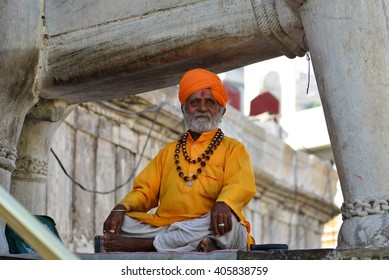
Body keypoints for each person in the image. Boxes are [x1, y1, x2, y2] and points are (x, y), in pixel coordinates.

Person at [103, 68, 256, 252]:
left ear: (221, 111)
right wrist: (121, 208)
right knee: (124, 223)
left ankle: (148, 245)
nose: (202, 108)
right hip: (169, 226)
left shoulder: (234, 149)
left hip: (210, 225)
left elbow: (241, 185)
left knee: (229, 224)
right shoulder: (168, 152)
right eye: (194, 102)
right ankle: (191, 244)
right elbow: (145, 191)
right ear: (184, 109)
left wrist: (224, 203)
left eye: (210, 102)